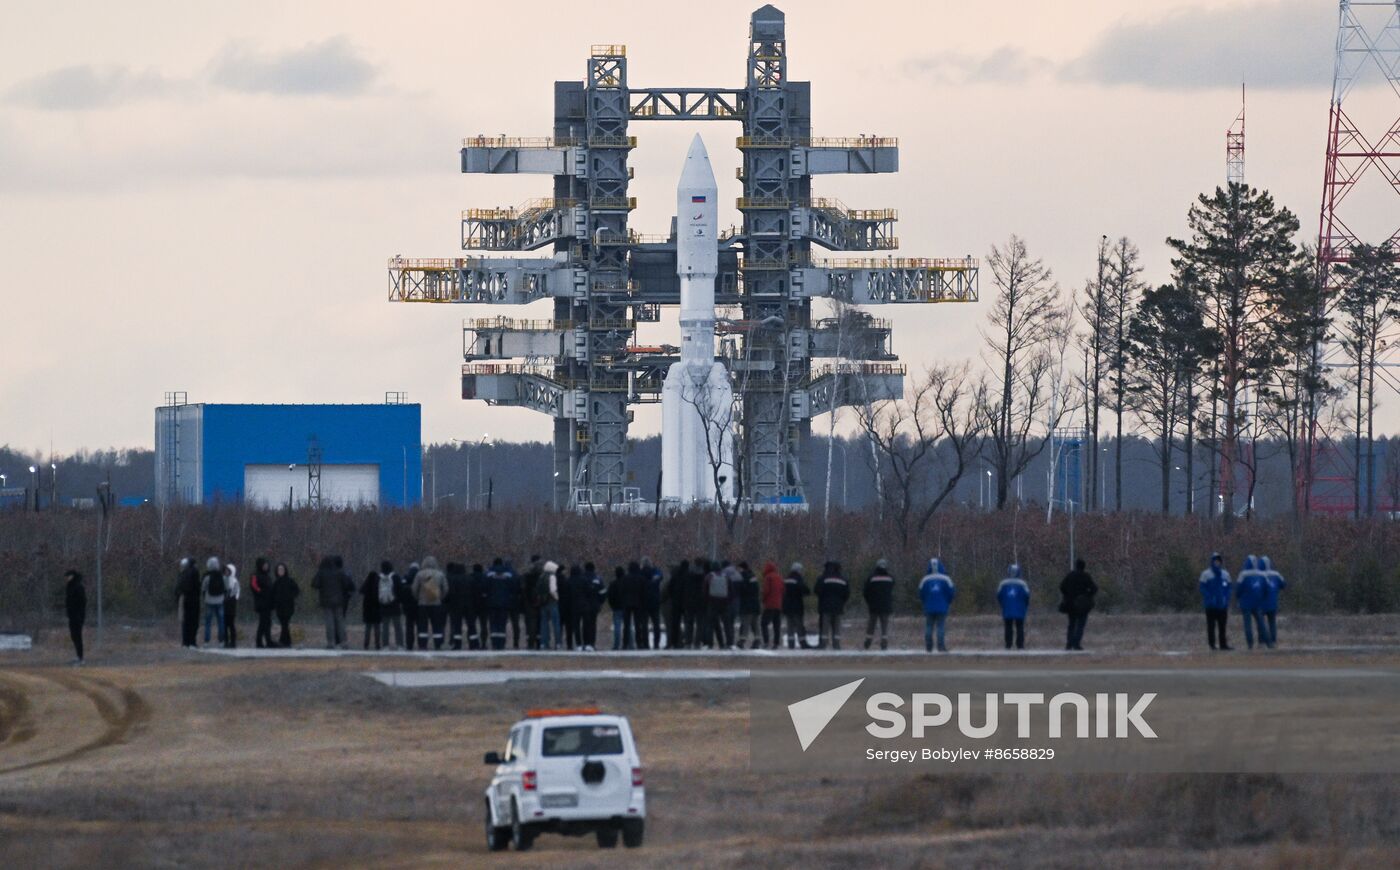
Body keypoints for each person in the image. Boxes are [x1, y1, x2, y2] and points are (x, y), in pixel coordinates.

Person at [312, 555, 354, 649]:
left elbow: (314, 584)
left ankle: (331, 642)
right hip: (339, 601)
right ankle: (343, 642)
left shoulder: (321, 573)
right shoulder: (339, 572)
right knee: (340, 621)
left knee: (329, 622)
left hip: (326, 601)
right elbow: (348, 584)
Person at [1059, 558, 1098, 651]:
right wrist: (1087, 595)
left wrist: (1067, 595)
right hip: (1082, 604)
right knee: (1080, 624)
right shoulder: (1086, 576)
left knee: (1071, 624)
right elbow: (1094, 588)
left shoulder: (1070, 575)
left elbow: (1061, 586)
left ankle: (1069, 644)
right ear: (1084, 567)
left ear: (1076, 566)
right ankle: (1076, 644)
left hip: (1070, 604)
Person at [918, 559, 955, 653]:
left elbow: (921, 593)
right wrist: (948, 602)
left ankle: (929, 646)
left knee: (929, 626)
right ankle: (941, 646)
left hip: (929, 607)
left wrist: (925, 602)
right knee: (940, 627)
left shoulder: (925, 579)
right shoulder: (946, 579)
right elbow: (951, 592)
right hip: (942, 607)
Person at [1198, 552, 1233, 651]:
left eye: (1219, 561)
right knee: (1211, 626)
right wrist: (1209, 597)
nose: (1217, 563)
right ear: (1212, 561)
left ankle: (1223, 644)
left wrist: (1226, 598)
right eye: (1215, 561)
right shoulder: (1206, 574)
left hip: (1222, 605)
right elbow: (1202, 588)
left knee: (1222, 626)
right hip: (1210, 605)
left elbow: (1229, 587)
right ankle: (1212, 644)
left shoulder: (1225, 574)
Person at [413, 556, 448, 650]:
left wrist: (418, 598)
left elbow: (414, 589)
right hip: (436, 604)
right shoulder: (440, 574)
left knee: (422, 626)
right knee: (437, 625)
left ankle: (422, 645)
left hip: (422, 604)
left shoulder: (419, 574)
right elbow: (445, 589)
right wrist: (440, 598)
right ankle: (438, 644)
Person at [814, 561, 850, 650]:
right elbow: (847, 593)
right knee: (836, 627)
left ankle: (823, 644)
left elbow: (817, 590)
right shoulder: (843, 579)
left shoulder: (823, 578)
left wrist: (823, 598)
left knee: (825, 627)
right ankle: (836, 644)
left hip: (825, 606)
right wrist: (842, 601)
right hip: (838, 607)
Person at [1234, 556, 1268, 650]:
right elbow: (1265, 588)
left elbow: (1238, 589)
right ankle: (1263, 642)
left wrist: (1238, 598)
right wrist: (1262, 598)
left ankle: (1250, 644)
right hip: (1257, 602)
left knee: (1247, 624)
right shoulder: (1261, 574)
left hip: (1245, 603)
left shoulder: (1243, 574)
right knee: (1260, 622)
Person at [862, 560, 895, 651]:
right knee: (884, 625)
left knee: (871, 625)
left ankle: (867, 642)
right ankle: (884, 643)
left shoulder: (871, 578)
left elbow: (865, 592)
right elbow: (892, 589)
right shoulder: (890, 578)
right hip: (886, 605)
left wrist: (869, 602)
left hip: (874, 605)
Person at [996, 564, 1030, 650]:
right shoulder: (1023, 584)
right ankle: (1020, 645)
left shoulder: (1003, 584)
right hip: (1020, 609)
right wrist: (1025, 606)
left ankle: (1008, 645)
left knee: (1008, 627)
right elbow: (1027, 596)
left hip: (1007, 609)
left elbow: (999, 596)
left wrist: (1003, 605)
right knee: (1020, 627)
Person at [486, 558, 515, 650]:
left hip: (492, 603)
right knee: (502, 623)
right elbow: (513, 587)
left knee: (493, 623)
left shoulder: (488, 574)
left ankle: (494, 643)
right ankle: (501, 644)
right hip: (504, 603)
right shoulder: (508, 574)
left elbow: (484, 587)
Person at [782, 563, 812, 650]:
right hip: (797, 606)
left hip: (787, 607)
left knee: (790, 626)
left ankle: (791, 644)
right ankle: (803, 643)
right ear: (798, 570)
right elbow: (806, 590)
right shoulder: (798, 579)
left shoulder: (786, 579)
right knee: (799, 626)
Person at [578, 563, 606, 651]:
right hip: (594, 605)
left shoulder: (581, 578)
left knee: (585, 624)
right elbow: (603, 592)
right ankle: (591, 643)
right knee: (593, 624)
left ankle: (585, 643)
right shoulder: (598, 579)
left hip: (583, 605)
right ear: (594, 569)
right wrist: (600, 602)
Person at [705, 561, 734, 649]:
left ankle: (709, 644)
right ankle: (729, 643)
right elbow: (731, 590)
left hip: (712, 602)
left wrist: (708, 600)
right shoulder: (726, 576)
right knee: (727, 624)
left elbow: (705, 589)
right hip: (724, 603)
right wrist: (728, 600)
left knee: (710, 624)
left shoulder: (709, 576)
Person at [1260, 556, 1287, 649]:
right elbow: (1283, 584)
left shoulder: (1258, 574)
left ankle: (1262, 642)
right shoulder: (1276, 574)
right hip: (1273, 603)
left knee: (1261, 624)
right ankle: (1273, 641)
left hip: (1261, 604)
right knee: (1272, 623)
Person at [445, 561, 471, 651]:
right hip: (468, 605)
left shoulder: (453, 579)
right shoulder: (468, 578)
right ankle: (473, 643)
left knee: (457, 625)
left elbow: (450, 592)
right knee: (471, 625)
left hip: (456, 605)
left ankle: (457, 644)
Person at [272, 562, 299, 647]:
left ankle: (283, 641)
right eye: (279, 569)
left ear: (285, 570)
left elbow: (297, 590)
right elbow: (272, 594)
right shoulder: (276, 582)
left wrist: (290, 596)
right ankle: (286, 641)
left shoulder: (290, 580)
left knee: (285, 623)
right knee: (284, 624)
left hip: (288, 606)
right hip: (279, 606)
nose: (281, 571)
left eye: (282, 569)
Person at [176, 557, 201, 648]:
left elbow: (177, 588)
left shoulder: (182, 574)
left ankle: (185, 642)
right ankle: (192, 642)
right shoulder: (195, 572)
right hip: (194, 600)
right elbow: (198, 586)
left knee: (185, 621)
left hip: (184, 599)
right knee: (193, 622)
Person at [201, 556, 227, 645]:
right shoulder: (222, 577)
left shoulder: (207, 577)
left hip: (209, 601)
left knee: (208, 622)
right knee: (221, 621)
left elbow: (203, 588)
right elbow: (225, 588)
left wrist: (205, 597)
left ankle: (207, 641)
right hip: (220, 601)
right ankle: (221, 641)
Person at [250, 558, 275, 649]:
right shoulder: (255, 575)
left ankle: (268, 640)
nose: (266, 566)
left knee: (268, 622)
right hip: (261, 603)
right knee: (263, 622)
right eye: (264, 564)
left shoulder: (268, 576)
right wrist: (262, 592)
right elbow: (254, 586)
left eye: (267, 564)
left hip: (269, 603)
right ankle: (259, 641)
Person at [683, 559, 709, 648]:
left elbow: (685, 589)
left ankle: (688, 642)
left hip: (689, 602)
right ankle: (697, 642)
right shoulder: (705, 576)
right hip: (701, 603)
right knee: (700, 624)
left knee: (689, 623)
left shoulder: (688, 575)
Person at [379, 561, 404, 650]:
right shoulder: (396, 577)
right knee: (398, 626)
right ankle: (400, 645)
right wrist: (400, 601)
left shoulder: (379, 578)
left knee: (385, 627)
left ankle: (385, 645)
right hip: (395, 605)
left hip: (383, 605)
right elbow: (401, 591)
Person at [537, 560, 562, 650]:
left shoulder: (541, 576)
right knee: (556, 624)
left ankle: (544, 643)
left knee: (544, 624)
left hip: (543, 603)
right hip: (552, 603)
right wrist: (557, 598)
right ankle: (558, 643)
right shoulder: (552, 577)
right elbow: (552, 590)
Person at [521, 555, 544, 650]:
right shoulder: (543, 574)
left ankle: (531, 643)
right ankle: (539, 643)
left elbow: (524, 589)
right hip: (541, 602)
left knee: (531, 623)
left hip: (529, 603)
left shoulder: (527, 575)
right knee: (540, 623)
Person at [736, 562, 761, 649]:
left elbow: (742, 590)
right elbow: (756, 589)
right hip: (755, 604)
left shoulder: (742, 576)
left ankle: (742, 641)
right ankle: (757, 641)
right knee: (755, 624)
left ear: (741, 568)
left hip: (746, 604)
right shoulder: (753, 576)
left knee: (745, 623)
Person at [665, 559, 689, 649]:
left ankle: (674, 642)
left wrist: (673, 597)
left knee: (675, 623)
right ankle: (687, 641)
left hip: (676, 602)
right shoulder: (689, 575)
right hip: (686, 602)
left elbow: (669, 588)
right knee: (688, 623)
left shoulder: (675, 576)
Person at [64, 569, 86, 665]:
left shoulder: (78, 587)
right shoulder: (70, 586)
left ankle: (81, 658)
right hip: (72, 616)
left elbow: (83, 601)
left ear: (72, 576)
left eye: (68, 576)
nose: (66, 578)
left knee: (78, 636)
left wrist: (79, 615)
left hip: (77, 616)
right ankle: (78, 656)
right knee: (74, 636)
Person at [642, 558, 664, 650]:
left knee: (644, 624)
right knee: (656, 624)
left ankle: (645, 644)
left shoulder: (640, 573)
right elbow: (660, 576)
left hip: (644, 602)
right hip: (655, 601)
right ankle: (656, 643)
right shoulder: (656, 572)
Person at [760, 561, 784, 650]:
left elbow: (766, 591)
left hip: (769, 605)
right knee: (776, 625)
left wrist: (763, 600)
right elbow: (783, 590)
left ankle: (766, 642)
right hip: (778, 605)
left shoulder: (768, 577)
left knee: (763, 623)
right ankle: (776, 643)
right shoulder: (779, 577)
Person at [396, 563, 420, 651]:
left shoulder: (405, 577)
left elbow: (400, 592)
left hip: (407, 607)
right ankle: (422, 644)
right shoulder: (420, 577)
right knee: (420, 626)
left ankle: (409, 645)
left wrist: (402, 602)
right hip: (419, 606)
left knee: (409, 626)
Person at [469, 563, 489, 650]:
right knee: (483, 625)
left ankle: (473, 643)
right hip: (484, 604)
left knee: (472, 625)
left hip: (472, 604)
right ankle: (484, 643)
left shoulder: (469, 578)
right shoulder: (485, 578)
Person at [559, 563, 578, 651]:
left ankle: (559, 643)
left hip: (561, 606)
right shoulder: (569, 581)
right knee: (569, 627)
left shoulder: (566, 581)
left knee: (560, 626)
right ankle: (569, 644)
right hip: (570, 608)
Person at [222, 562, 241, 649]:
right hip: (223, 604)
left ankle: (233, 642)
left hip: (231, 605)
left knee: (231, 624)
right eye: (225, 570)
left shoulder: (234, 581)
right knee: (224, 625)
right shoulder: (222, 579)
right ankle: (225, 641)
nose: (226, 572)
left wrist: (229, 598)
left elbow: (235, 593)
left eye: (228, 570)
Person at [608, 566, 628, 649]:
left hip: (616, 608)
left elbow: (610, 596)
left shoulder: (613, 584)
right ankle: (629, 644)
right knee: (628, 626)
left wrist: (612, 606)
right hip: (626, 607)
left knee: (617, 627)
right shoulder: (627, 583)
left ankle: (616, 645)